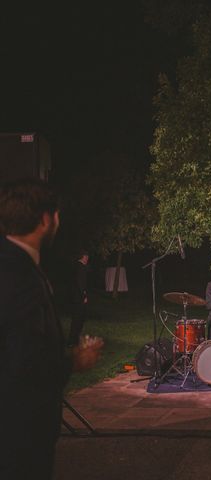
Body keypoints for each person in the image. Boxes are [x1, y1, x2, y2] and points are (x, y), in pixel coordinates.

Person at [0, 178, 103, 479]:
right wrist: (75, 360)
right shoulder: (21, 276)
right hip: (20, 431)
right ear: (45, 219)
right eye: (57, 215)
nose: (58, 221)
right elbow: (25, 363)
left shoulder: (11, 263)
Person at [67, 250, 89, 347]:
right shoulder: (81, 268)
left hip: (74, 296)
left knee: (77, 319)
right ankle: (73, 340)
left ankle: (73, 339)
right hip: (79, 297)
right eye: (87, 257)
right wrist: (84, 296)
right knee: (78, 319)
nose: (87, 259)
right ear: (83, 257)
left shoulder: (75, 266)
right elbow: (81, 283)